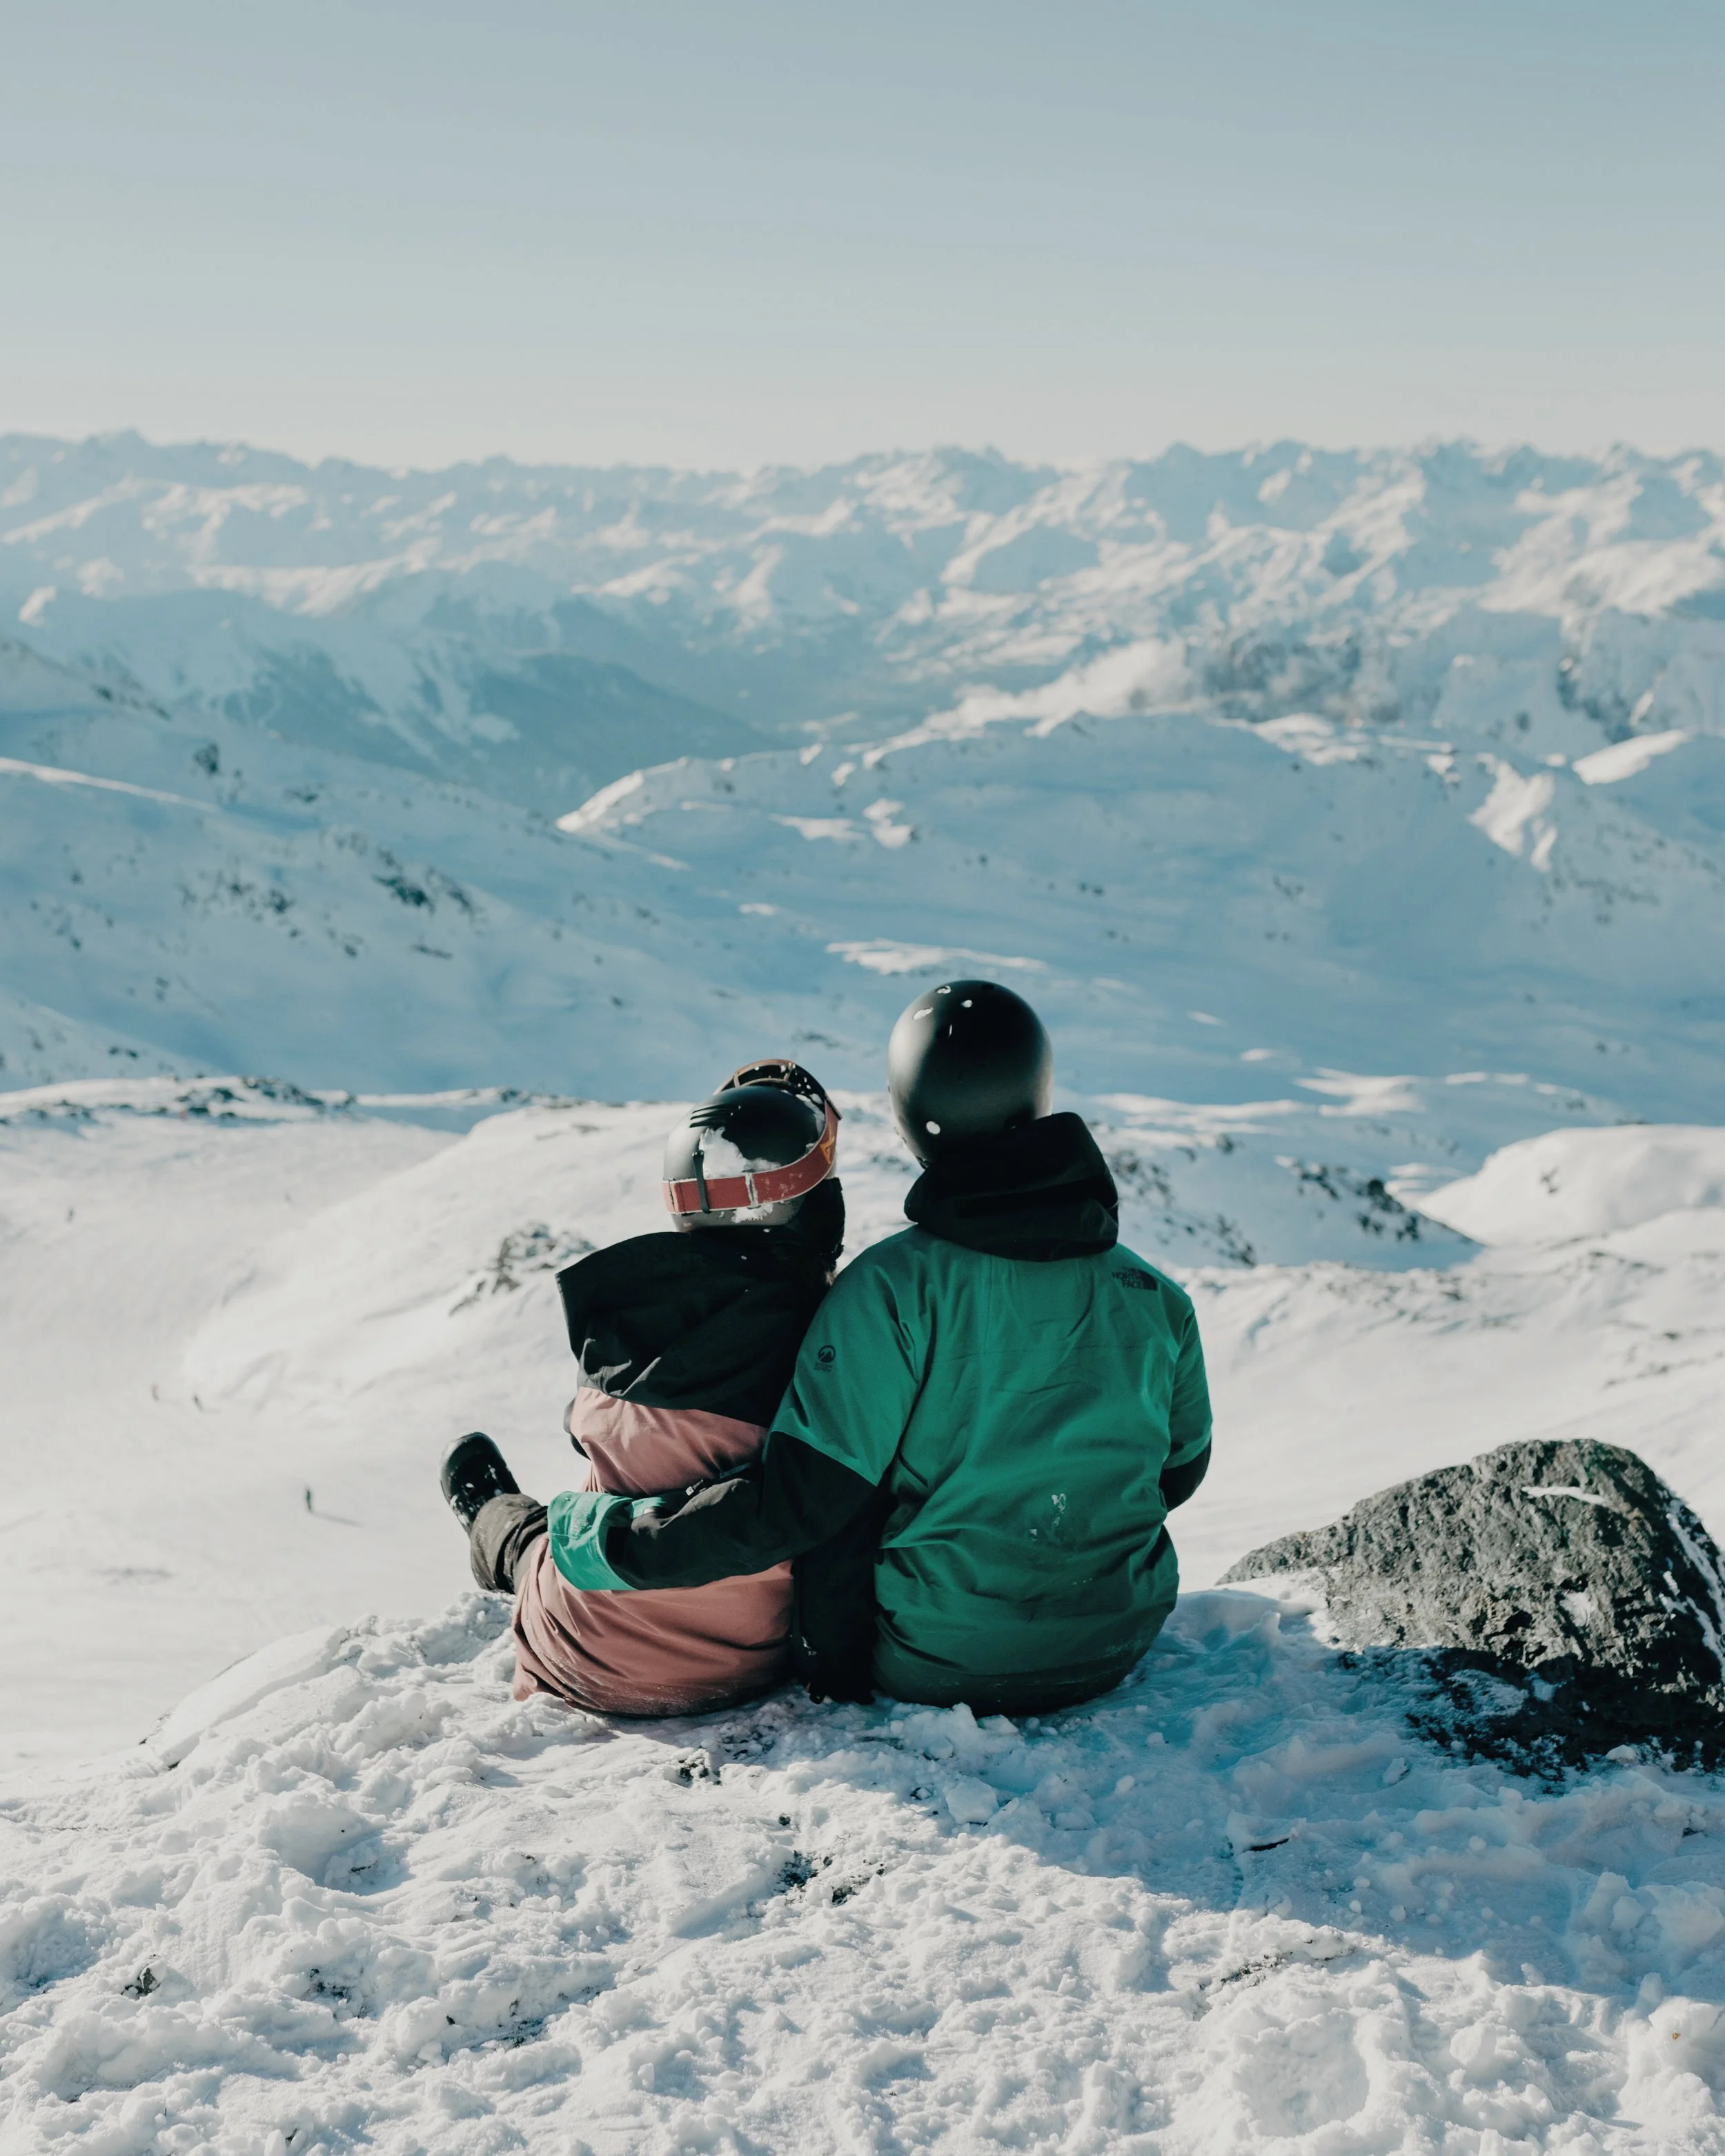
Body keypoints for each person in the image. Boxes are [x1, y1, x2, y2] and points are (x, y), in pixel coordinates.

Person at [544, 981, 1214, 1718]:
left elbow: (811, 1503)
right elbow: (1177, 1472)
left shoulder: (887, 1290)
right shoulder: (1155, 1295)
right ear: (1038, 1092)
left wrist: (588, 1540)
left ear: (907, 1118)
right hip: (1120, 1640)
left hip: (939, 1656)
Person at [439, 1059, 847, 1716]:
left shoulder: (618, 1319)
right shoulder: (838, 1337)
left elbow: (587, 1432)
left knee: (543, 1538)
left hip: (571, 1642)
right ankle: (507, 1523)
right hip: (739, 1662)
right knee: (559, 1534)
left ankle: (491, 1515)